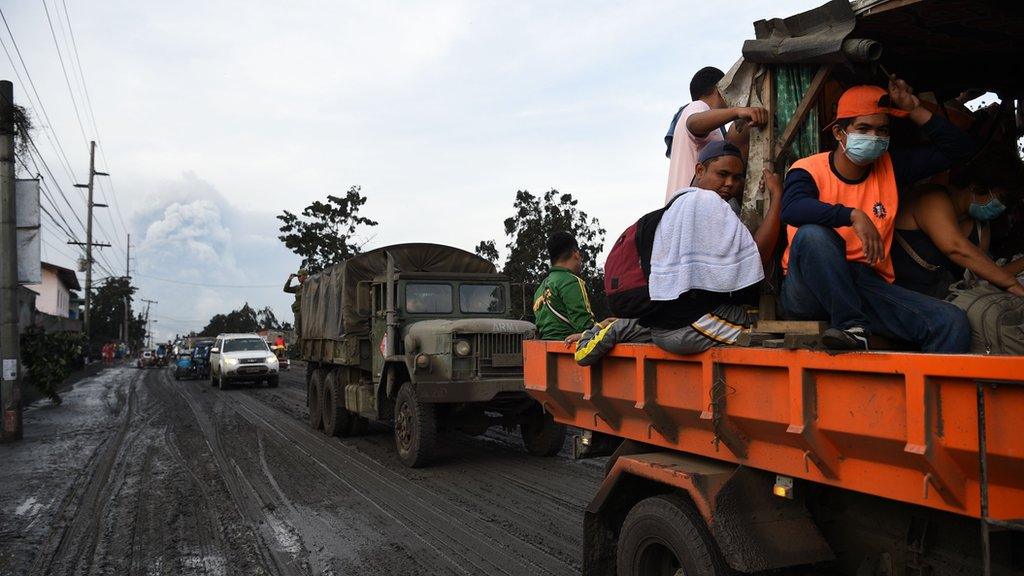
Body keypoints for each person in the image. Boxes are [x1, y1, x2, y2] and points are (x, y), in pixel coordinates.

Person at [780, 76, 976, 352]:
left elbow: (960, 150)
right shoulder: (808, 169)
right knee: (813, 235)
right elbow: (792, 209)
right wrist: (852, 215)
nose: (874, 138)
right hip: (808, 287)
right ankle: (852, 327)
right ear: (839, 133)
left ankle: (926, 395)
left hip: (863, 284)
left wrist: (914, 109)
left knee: (951, 322)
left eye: (882, 131)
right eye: (864, 128)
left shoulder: (890, 167)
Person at [643, 141, 781, 355]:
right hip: (692, 325)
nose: (729, 183)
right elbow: (758, 257)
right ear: (699, 169)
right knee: (769, 329)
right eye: (722, 174)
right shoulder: (708, 202)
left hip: (661, 327)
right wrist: (777, 196)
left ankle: (622, 327)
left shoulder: (677, 204)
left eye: (737, 177)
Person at [893, 153, 1024, 298]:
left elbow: (986, 275)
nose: (1002, 207)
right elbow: (956, 248)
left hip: (936, 300)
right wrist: (1011, 283)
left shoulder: (980, 229)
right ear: (976, 187)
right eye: (1001, 198)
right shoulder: (932, 199)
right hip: (897, 291)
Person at [665, 66, 769, 205]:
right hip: (691, 206)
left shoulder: (716, 130)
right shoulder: (698, 106)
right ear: (720, 90)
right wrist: (738, 111)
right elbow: (694, 123)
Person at [532, 232, 596, 340]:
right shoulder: (571, 281)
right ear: (575, 253)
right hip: (569, 349)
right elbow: (585, 327)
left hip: (545, 348)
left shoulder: (540, 288)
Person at [283, 269, 307, 343]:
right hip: (298, 311)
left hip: (306, 311)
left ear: (305, 276)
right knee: (298, 329)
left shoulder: (309, 286)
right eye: (298, 276)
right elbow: (286, 289)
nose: (298, 278)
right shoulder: (298, 288)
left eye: (300, 276)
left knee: (302, 330)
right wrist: (290, 279)